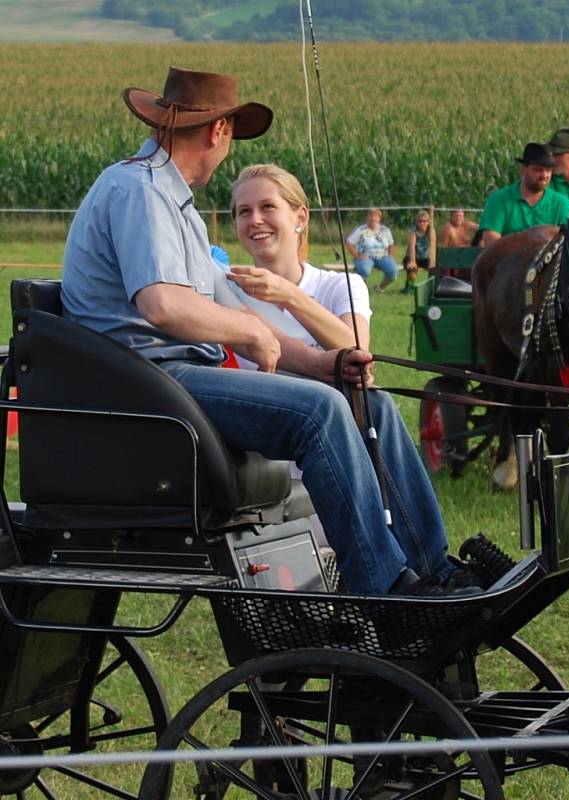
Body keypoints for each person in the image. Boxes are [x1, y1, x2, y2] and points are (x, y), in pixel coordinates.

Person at [61, 65, 478, 598]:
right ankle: (386, 589)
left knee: (359, 400)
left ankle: (434, 573)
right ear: (219, 131)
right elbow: (164, 305)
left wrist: (327, 363)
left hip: (171, 378)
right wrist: (248, 333)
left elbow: (234, 308)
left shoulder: (175, 205)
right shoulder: (138, 190)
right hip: (144, 385)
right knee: (318, 411)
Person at [226, 163, 370, 365]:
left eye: (268, 207)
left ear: (301, 218)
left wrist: (288, 295)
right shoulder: (227, 291)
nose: (255, 220)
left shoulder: (341, 285)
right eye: (244, 211)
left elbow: (358, 352)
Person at [479, 142, 569, 248]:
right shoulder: (499, 200)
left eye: (548, 170)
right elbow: (492, 242)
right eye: (538, 170)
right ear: (523, 169)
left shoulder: (561, 204)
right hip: (509, 262)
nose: (544, 175)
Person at [346, 208, 398, 293]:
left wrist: (391, 256)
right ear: (367, 218)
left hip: (382, 256)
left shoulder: (385, 230)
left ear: (379, 218)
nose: (373, 218)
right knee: (364, 270)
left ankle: (380, 288)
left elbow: (391, 244)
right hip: (366, 256)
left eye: (375, 216)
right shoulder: (361, 230)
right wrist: (356, 255)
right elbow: (349, 243)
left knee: (393, 271)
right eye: (371, 216)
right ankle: (361, 289)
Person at [401, 209, 435, 295]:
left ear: (428, 222)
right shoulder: (414, 232)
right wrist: (412, 261)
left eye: (424, 221)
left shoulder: (431, 231)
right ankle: (409, 288)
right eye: (420, 221)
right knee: (412, 271)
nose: (422, 223)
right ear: (417, 222)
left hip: (425, 257)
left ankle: (432, 288)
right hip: (412, 256)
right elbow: (412, 247)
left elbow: (432, 246)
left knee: (435, 270)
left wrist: (432, 261)